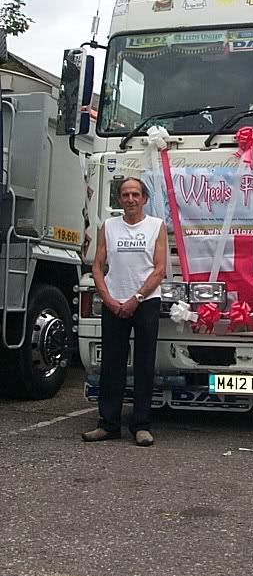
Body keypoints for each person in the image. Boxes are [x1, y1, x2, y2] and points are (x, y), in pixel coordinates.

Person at [82, 177, 167, 447]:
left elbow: (160, 268)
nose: (130, 199)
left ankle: (141, 426)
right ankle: (108, 424)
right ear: (119, 199)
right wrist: (107, 297)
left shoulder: (156, 227)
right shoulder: (108, 227)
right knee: (112, 364)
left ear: (144, 198)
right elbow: (97, 265)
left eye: (135, 195)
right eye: (125, 195)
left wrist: (137, 298)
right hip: (114, 303)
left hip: (145, 303)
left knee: (143, 364)